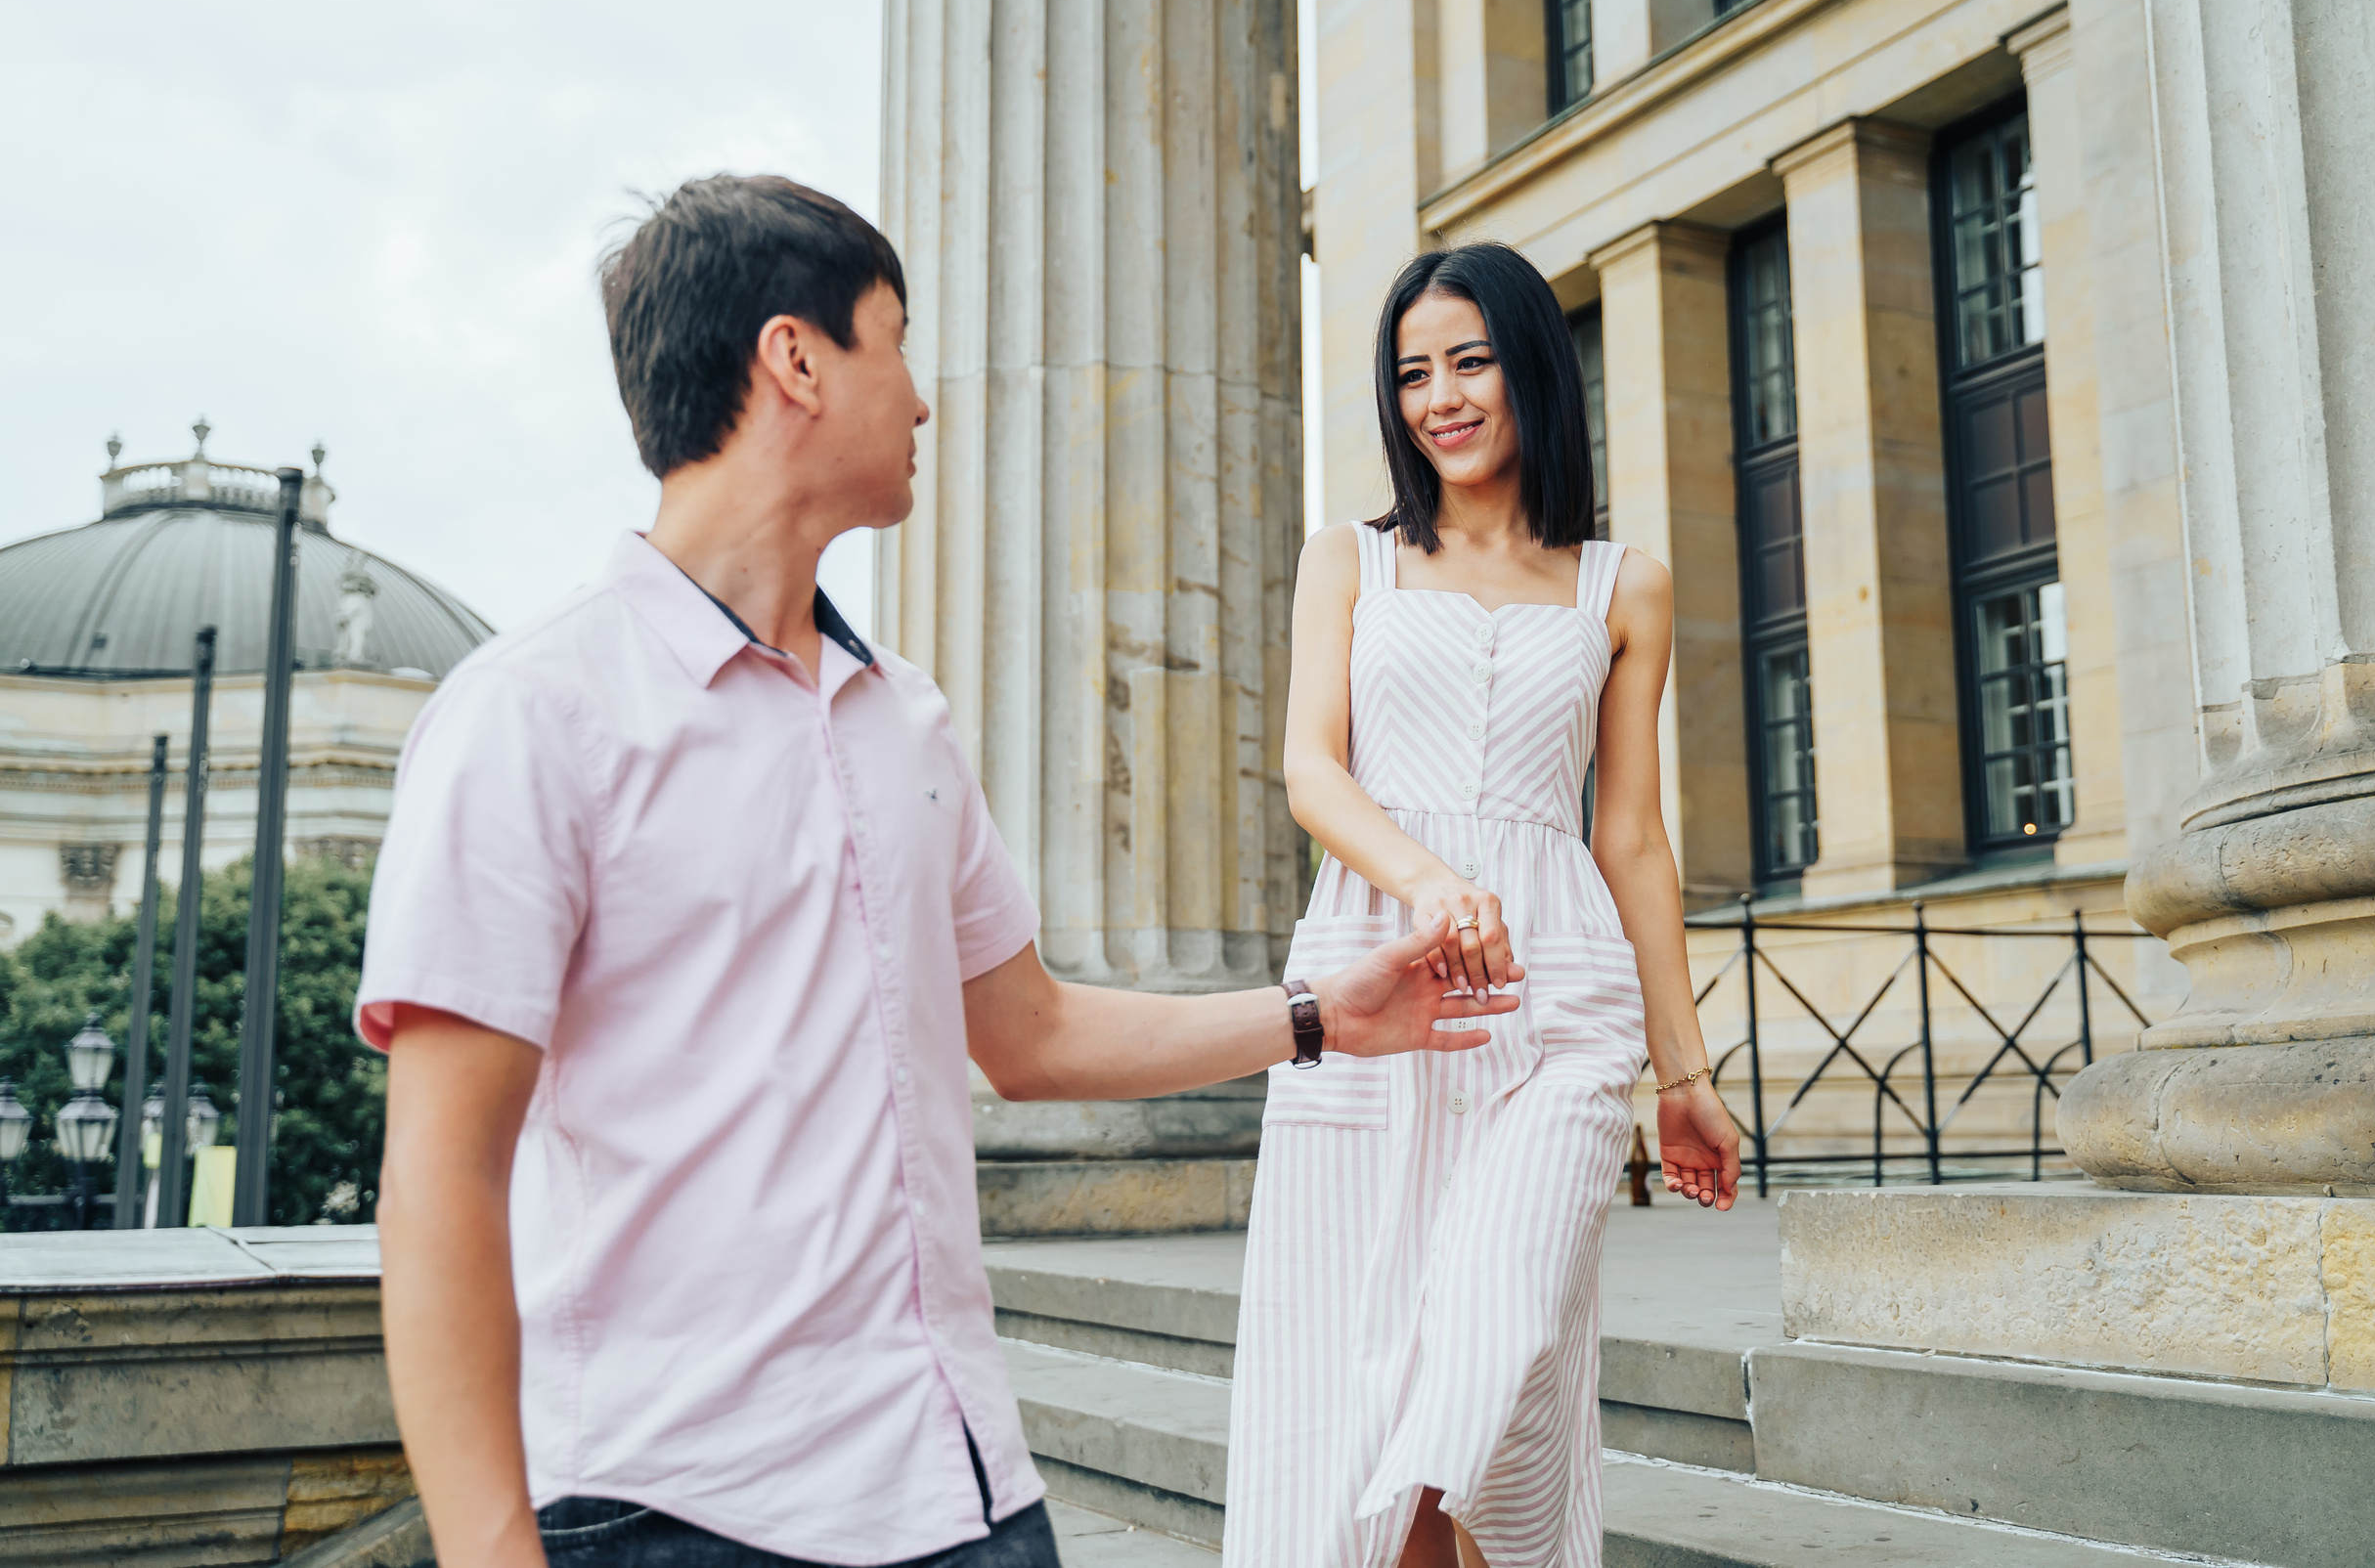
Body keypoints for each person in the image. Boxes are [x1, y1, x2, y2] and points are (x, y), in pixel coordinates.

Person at [357, 175, 1520, 1568]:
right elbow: (440, 1173)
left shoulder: (901, 714)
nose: (920, 398)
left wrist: (1322, 1014)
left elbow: (1028, 1034)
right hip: (668, 1510)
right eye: (894, 341)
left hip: (960, 1491)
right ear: (796, 360)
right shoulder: (529, 712)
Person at [1222, 242, 1745, 1568]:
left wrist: (1686, 1072)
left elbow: (1629, 835)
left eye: (1470, 361)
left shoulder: (1625, 583)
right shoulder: (1349, 560)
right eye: (1412, 373)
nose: (1441, 397)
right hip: (1376, 971)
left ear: (1531, 369)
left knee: (1498, 1329)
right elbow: (1309, 768)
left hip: (1561, 993)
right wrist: (1433, 884)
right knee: (1359, 1359)